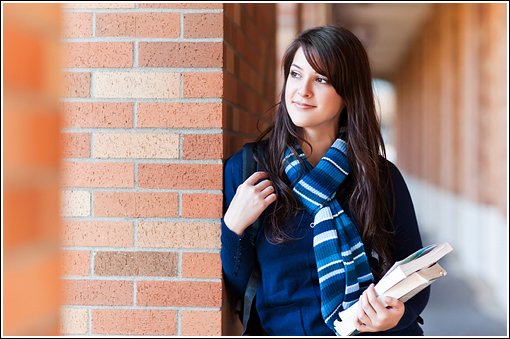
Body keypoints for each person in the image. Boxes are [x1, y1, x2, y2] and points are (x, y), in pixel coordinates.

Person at [221, 25, 429, 336]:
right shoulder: (250, 170)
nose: (302, 90)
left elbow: (416, 275)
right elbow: (237, 287)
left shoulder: (379, 177)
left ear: (348, 93)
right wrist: (233, 228)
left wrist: (397, 316)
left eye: (321, 79)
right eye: (295, 74)